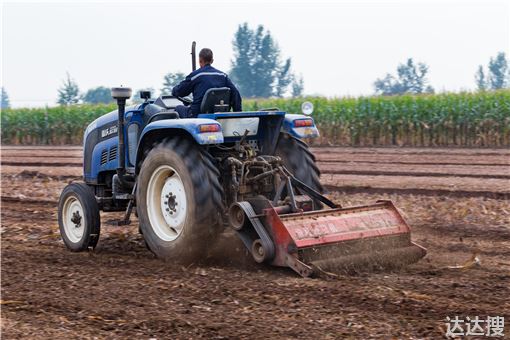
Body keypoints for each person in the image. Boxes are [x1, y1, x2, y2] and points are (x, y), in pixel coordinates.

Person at [172, 48, 242, 118]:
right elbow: (235, 94)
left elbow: (180, 91)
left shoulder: (195, 76)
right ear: (212, 61)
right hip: (219, 114)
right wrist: (237, 114)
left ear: (200, 61)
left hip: (196, 114)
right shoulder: (223, 76)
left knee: (178, 108)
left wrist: (174, 90)